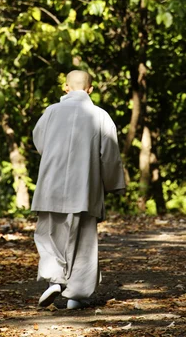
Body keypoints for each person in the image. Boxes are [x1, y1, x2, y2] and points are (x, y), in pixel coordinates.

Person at [31, 69, 126, 310]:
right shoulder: (100, 116)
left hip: (51, 183)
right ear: (91, 89)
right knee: (84, 239)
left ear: (65, 87)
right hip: (84, 187)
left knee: (49, 233)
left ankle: (54, 279)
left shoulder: (50, 112)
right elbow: (110, 156)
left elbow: (40, 142)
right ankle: (77, 295)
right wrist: (112, 184)